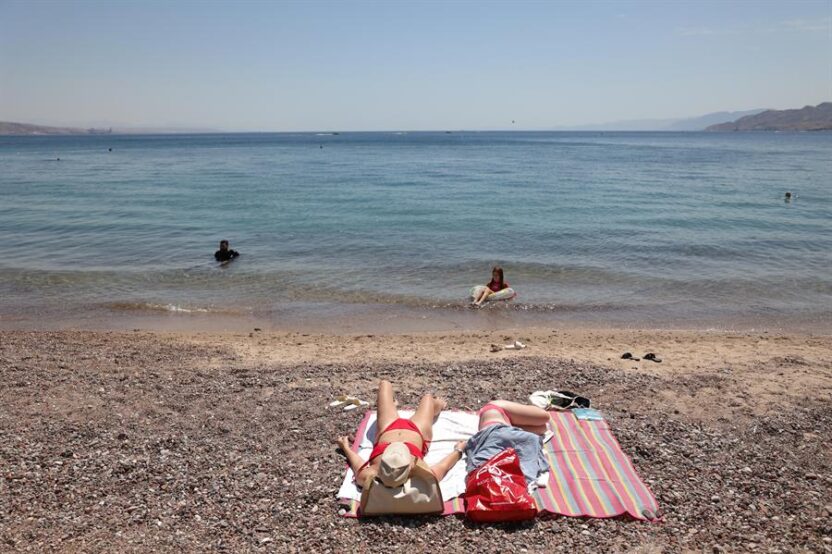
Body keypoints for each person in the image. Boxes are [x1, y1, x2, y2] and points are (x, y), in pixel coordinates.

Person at [336, 380, 465, 489]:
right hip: (417, 431)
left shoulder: (372, 474)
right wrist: (458, 450)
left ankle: (393, 406)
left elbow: (357, 463)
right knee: (428, 398)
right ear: (409, 467)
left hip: (387, 428)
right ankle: (437, 405)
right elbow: (444, 466)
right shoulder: (420, 473)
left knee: (384, 384)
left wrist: (346, 448)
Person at [465, 400, 550, 485]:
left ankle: (512, 424)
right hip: (495, 419)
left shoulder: (514, 478)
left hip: (496, 425)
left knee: (543, 426)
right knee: (545, 421)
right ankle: (512, 423)